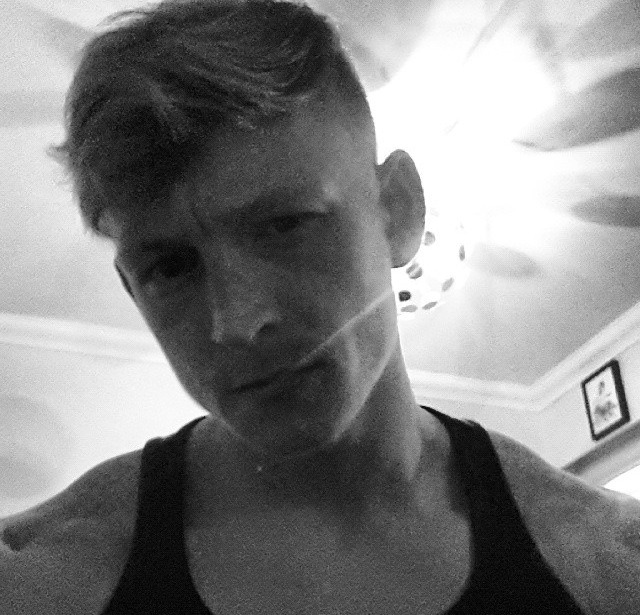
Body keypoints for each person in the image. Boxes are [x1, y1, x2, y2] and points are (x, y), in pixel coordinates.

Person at [2, 1, 639, 613]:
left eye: (285, 225)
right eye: (170, 267)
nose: (238, 323)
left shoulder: (609, 564)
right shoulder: (45, 577)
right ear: (131, 289)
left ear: (397, 212)